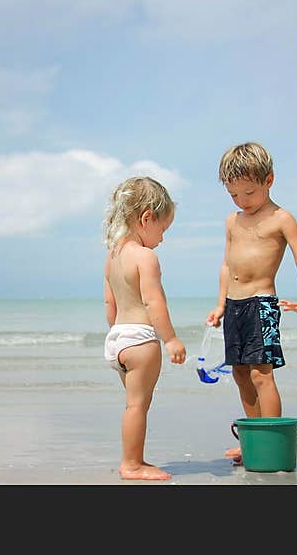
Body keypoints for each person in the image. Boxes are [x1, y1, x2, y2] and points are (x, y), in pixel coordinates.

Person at [205, 142, 297, 463]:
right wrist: (220, 304)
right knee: (240, 374)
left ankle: (273, 444)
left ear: (269, 180)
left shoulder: (282, 219)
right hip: (234, 304)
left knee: (260, 374)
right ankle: (253, 439)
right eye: (234, 195)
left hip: (261, 303)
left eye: (249, 193)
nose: (242, 201)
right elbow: (227, 264)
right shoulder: (232, 221)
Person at [103, 176, 187, 480]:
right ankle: (132, 464)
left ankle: (134, 459)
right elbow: (155, 304)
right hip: (140, 340)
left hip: (117, 341)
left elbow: (109, 304)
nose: (162, 239)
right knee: (137, 406)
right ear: (146, 218)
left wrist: (119, 336)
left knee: (133, 404)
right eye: (162, 230)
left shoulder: (112, 257)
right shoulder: (145, 257)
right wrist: (172, 340)